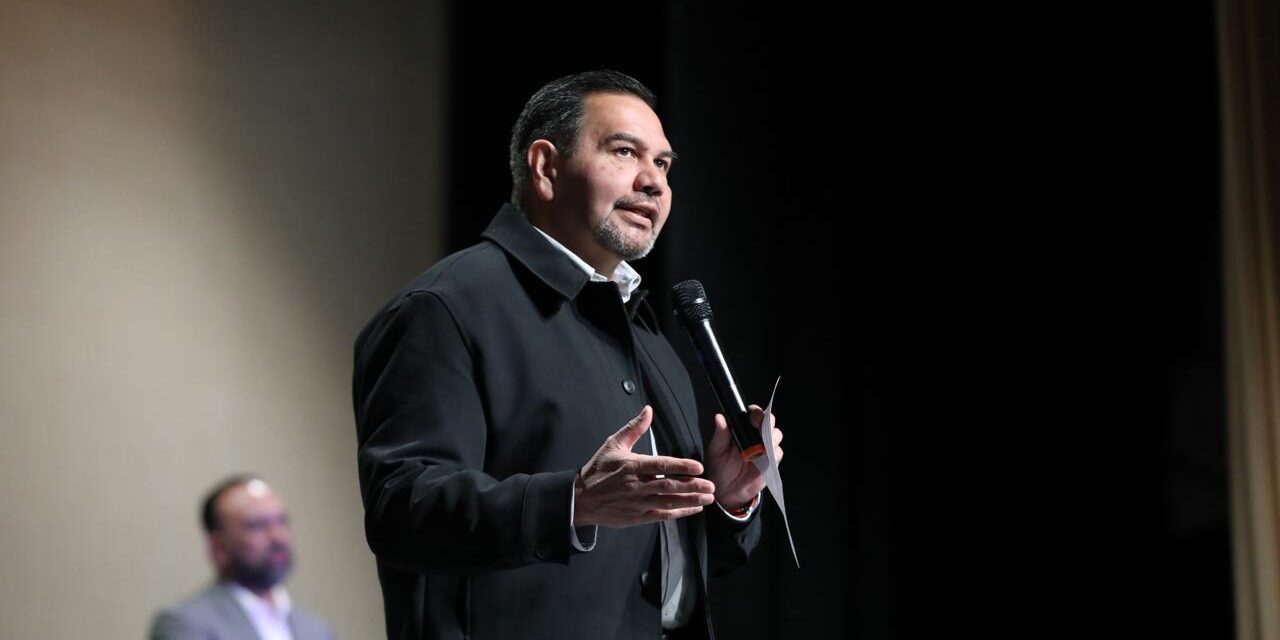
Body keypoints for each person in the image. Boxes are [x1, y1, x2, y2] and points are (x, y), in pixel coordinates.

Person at [352, 69, 783, 640]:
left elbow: (661, 571)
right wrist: (572, 503)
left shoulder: (648, 333)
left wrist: (726, 501)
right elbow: (403, 510)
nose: (652, 181)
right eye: (625, 152)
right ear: (546, 167)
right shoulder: (446, 308)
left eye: (663, 164)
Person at [150, 475, 336, 640]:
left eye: (281, 521)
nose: (278, 537)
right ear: (218, 546)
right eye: (257, 526)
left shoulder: (316, 630)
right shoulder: (184, 624)